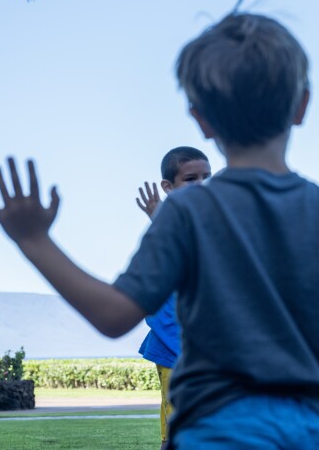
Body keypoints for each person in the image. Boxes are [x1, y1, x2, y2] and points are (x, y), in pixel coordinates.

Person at [0, 11, 319, 448]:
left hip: (206, 435)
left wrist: (34, 240)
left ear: (202, 119)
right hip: (305, 436)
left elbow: (114, 316)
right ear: (301, 106)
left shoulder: (187, 212)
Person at [135, 146, 211, 446]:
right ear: (168, 187)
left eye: (208, 176)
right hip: (176, 349)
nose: (202, 185)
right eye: (191, 179)